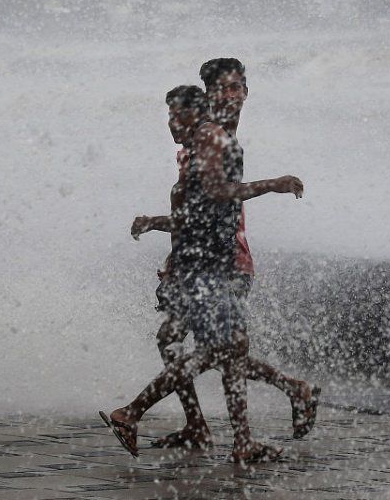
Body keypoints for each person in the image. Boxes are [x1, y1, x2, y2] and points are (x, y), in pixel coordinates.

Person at [102, 60, 313, 464]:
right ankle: (138, 412)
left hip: (208, 258)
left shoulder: (211, 139)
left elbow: (194, 206)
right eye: (220, 90)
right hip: (216, 261)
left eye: (236, 88)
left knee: (208, 347)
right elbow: (210, 198)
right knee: (223, 351)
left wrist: (169, 238)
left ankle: (224, 432)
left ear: (246, 92)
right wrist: (275, 185)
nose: (229, 97)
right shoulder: (208, 140)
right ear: (207, 99)